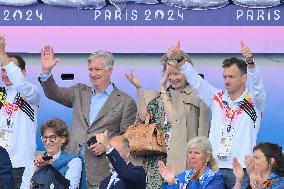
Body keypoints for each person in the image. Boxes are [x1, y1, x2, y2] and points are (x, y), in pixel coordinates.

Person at [166, 41, 266, 189]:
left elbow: (257, 86)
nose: (226, 81)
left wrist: (251, 64)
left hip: (241, 170)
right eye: (224, 76)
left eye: (231, 76)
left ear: (244, 78)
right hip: (214, 168)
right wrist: (181, 60)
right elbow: (197, 81)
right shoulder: (217, 98)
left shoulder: (254, 102)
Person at [39, 45, 137, 188]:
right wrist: (46, 72)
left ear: (110, 70)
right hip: (71, 164)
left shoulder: (125, 101)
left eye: (97, 69)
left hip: (100, 171)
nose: (92, 74)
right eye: (90, 69)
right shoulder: (79, 91)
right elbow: (54, 93)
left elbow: (126, 138)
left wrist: (107, 146)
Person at [125, 53, 210, 189]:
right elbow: (143, 117)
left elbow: (200, 132)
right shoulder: (156, 96)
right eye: (168, 74)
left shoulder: (198, 97)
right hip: (155, 161)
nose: (172, 78)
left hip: (182, 160)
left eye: (176, 74)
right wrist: (139, 89)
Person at [0, 35, 40, 189]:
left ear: (23, 72)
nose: (5, 73)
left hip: (21, 166)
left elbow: (21, 84)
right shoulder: (1, 94)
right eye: (2, 69)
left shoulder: (31, 94)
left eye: (9, 69)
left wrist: (3, 55)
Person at [32, 118, 86, 189]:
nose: (47, 142)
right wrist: (37, 172)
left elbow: (70, 187)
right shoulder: (36, 161)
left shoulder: (74, 161)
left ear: (63, 139)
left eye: (52, 137)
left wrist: (49, 169)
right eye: (45, 138)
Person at [158, 136, 224, 189]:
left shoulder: (216, 179)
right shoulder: (183, 175)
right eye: (190, 152)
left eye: (197, 153)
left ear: (207, 157)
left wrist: (194, 181)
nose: (192, 156)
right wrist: (170, 183)